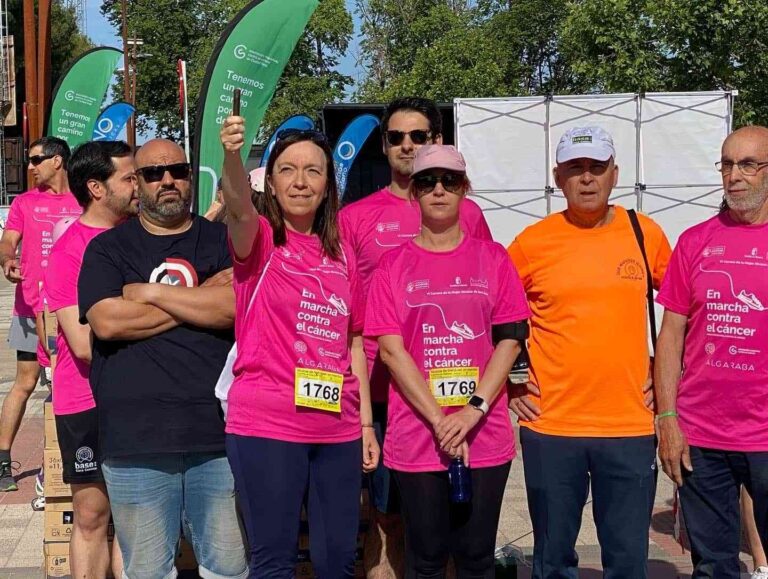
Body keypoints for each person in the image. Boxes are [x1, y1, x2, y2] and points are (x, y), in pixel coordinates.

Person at [78, 139, 248, 579]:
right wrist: (201, 298)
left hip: (219, 434)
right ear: (137, 182)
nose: (167, 180)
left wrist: (152, 294)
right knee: (149, 572)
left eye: (177, 170)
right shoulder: (108, 249)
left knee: (228, 568)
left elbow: (236, 307)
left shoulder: (223, 240)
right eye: (153, 173)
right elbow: (108, 323)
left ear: (191, 176)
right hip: (137, 438)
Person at [507, 126, 671, 578]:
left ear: (614, 174)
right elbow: (493, 312)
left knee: (626, 561)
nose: (586, 178)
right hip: (551, 425)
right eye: (575, 169)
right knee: (554, 561)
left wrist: (667, 376)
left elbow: (685, 311)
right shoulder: (532, 242)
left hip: (629, 424)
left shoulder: (644, 234)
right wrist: (511, 380)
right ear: (558, 177)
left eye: (596, 168)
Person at [338, 96, 492, 577]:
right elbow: (338, 307)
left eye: (419, 136)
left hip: (457, 396)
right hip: (383, 396)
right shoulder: (355, 217)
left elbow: (494, 306)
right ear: (384, 146)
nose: (408, 146)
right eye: (397, 137)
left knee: (453, 523)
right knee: (386, 521)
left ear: (437, 141)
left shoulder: (468, 215)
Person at [219, 116, 379, 578]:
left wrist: (366, 423)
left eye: (313, 170)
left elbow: (353, 340)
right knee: (274, 561)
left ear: (329, 184)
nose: (301, 181)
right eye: (288, 170)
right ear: (269, 182)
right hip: (268, 424)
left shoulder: (342, 254)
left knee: (337, 561)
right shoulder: (262, 241)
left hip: (338, 427)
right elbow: (237, 207)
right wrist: (232, 155)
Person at [365, 144, 529, 577]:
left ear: (465, 189)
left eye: (450, 181)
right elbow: (391, 351)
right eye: (427, 182)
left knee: (476, 556)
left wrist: (472, 411)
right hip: (418, 434)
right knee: (426, 557)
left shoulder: (494, 259)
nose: (439, 190)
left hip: (483, 432)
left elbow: (510, 341)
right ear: (414, 192)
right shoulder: (392, 266)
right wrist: (440, 419)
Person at [655, 125, 768, 578]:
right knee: (713, 565)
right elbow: (670, 338)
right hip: (701, 437)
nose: (734, 176)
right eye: (726, 164)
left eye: (748, 164)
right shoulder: (695, 241)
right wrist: (667, 419)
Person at [44, 140, 137, 578]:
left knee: (134, 523)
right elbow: (82, 344)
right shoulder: (69, 252)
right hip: (85, 401)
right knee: (92, 517)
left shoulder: (142, 239)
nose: (139, 186)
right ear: (97, 188)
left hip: (141, 399)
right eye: (130, 177)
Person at [0, 136, 81, 491]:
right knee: (25, 383)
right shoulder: (25, 202)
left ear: (58, 161)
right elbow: (8, 240)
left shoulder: (84, 198)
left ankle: (71, 460)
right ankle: (3, 461)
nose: (30, 167)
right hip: (29, 308)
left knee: (71, 383)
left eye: (36, 160)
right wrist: (6, 258)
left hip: (75, 311)